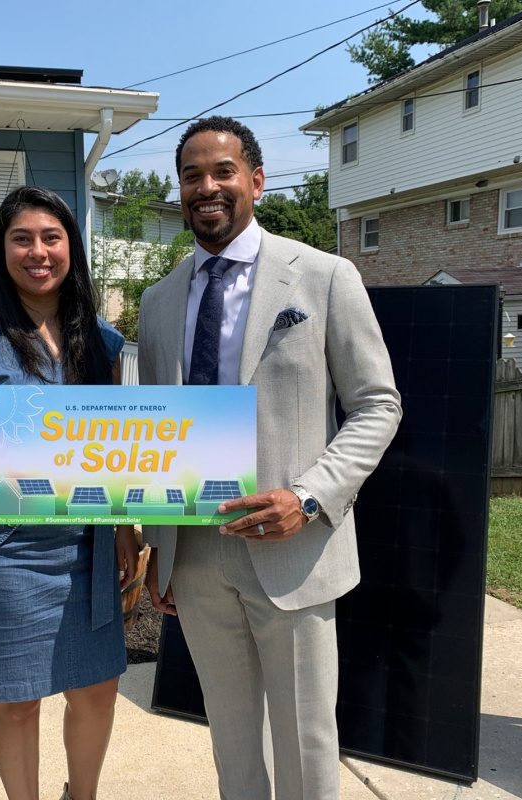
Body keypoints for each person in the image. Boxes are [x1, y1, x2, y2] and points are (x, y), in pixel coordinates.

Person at [138, 117, 402, 800]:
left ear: (256, 180)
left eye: (222, 170)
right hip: (194, 553)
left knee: (306, 740)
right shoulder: (160, 301)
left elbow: (379, 405)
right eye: (192, 175)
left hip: (294, 547)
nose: (207, 186)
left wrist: (310, 497)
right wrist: (155, 547)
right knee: (230, 737)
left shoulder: (323, 276)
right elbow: (155, 430)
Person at [0, 185, 138, 800]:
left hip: (88, 547)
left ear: (71, 247)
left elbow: (114, 450)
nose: (37, 251)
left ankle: (83, 796)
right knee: (17, 701)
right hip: (7, 551)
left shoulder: (103, 340)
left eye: (52, 237)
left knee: (97, 689)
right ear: (3, 251)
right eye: (22, 238)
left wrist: (124, 527)